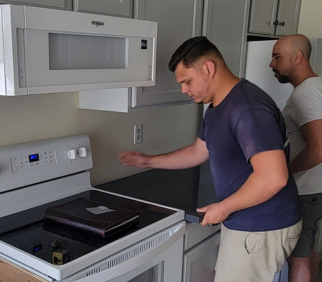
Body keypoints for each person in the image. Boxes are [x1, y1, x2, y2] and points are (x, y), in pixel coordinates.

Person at [118, 36, 302, 282]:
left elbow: (274, 176)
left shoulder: (247, 109)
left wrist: (223, 207)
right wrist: (148, 161)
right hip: (249, 220)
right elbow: (198, 151)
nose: (184, 89)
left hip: (261, 226)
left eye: (187, 81)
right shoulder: (218, 106)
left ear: (208, 68)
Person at [270, 34, 322, 282]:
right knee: (305, 250)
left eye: (277, 57)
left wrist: (286, 172)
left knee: (298, 257)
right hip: (317, 189)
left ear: (298, 57)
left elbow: (320, 150)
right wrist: (319, 162)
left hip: (302, 192)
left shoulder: (303, 94)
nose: (272, 64)